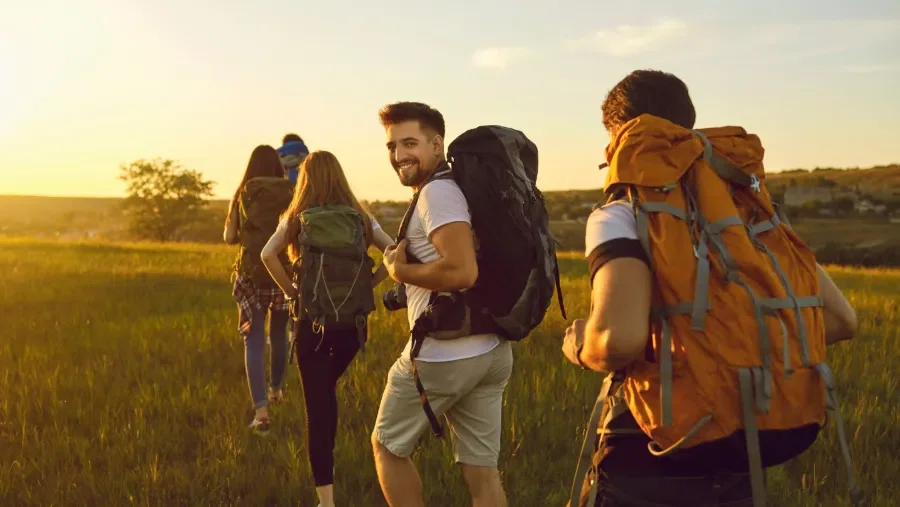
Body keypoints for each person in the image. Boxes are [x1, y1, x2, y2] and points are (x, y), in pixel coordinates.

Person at [562, 69, 861, 507]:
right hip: (747, 449)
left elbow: (618, 341)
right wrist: (735, 353)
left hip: (651, 450)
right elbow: (841, 319)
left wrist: (579, 345)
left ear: (621, 138)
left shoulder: (621, 212)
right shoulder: (751, 216)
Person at [371, 101, 513, 507]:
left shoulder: (438, 193)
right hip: (489, 348)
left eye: (410, 143)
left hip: (444, 354)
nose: (399, 156)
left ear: (437, 144)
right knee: (482, 471)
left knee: (386, 447)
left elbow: (462, 271)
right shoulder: (455, 189)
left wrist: (401, 274)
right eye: (392, 146)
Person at [260, 150, 394, 507]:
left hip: (311, 324)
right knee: (325, 394)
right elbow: (395, 252)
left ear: (306, 180)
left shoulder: (296, 218)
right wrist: (372, 280)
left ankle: (327, 502)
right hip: (352, 326)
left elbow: (266, 254)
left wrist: (292, 292)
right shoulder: (361, 218)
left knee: (317, 410)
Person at [224, 144, 295, 435]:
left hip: (251, 274)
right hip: (281, 273)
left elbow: (230, 237)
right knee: (279, 335)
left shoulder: (243, 193)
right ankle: (277, 390)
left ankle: (262, 413)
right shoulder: (292, 192)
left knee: (253, 341)